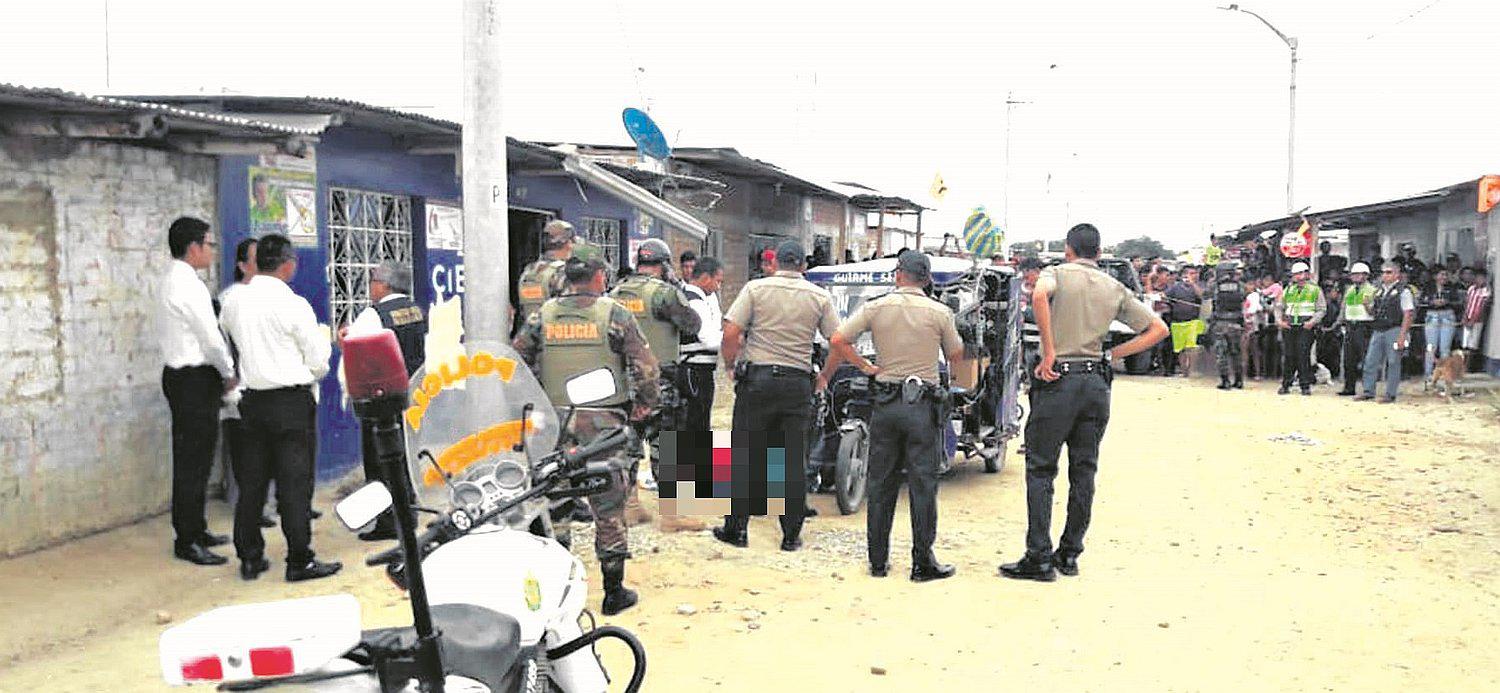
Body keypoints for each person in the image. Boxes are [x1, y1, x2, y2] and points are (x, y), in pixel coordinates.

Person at [999, 224, 1167, 582]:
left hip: (1058, 379)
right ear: (1100, 252)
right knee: (1084, 470)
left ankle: (1039, 557)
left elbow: (1040, 296)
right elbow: (1158, 330)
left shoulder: (1055, 273)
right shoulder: (1114, 285)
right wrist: (1113, 354)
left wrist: (1049, 352)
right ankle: (1070, 553)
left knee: (1041, 469)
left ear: (1068, 249)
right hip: (1095, 383)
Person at [512, 255, 659, 615]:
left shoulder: (541, 316)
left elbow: (517, 362)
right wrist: (644, 407)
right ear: (598, 277)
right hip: (603, 423)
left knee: (556, 501)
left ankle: (558, 589)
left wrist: (533, 405)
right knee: (608, 504)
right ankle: (613, 592)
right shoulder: (614, 314)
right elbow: (646, 367)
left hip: (553, 423)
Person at [819, 252, 965, 581]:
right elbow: (956, 353)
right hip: (923, 406)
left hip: (885, 403)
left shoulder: (876, 306)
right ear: (927, 280)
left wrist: (867, 367)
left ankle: (878, 562)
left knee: (880, 482)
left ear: (899, 275)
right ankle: (922, 563)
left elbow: (839, 339)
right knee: (922, 485)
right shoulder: (940, 312)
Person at [218, 234, 340, 582]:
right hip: (290, 402)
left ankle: (250, 558)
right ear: (287, 264)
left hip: (252, 402)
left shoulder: (234, 302)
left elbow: (227, 340)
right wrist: (315, 368)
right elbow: (319, 362)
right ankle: (299, 559)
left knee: (253, 483)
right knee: (294, 485)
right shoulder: (294, 304)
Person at [715, 240, 840, 552]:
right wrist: (823, 376)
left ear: (777, 262)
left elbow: (730, 332)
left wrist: (730, 365)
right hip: (798, 383)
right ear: (803, 266)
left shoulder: (755, 290)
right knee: (793, 459)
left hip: (757, 381)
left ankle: (737, 530)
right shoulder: (820, 296)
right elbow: (838, 341)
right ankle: (791, 536)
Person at [158, 217, 237, 566]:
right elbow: (211, 339)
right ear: (193, 247)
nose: (212, 250)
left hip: (182, 377)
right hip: (193, 379)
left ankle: (196, 528)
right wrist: (229, 372)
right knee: (193, 461)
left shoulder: (173, 279)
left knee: (196, 459)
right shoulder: (187, 286)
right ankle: (188, 540)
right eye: (209, 244)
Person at [339, 261, 426, 541]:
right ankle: (408, 511)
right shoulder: (414, 310)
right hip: (411, 394)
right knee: (405, 457)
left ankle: (389, 521)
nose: (370, 287)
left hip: (381, 399)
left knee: (380, 460)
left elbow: (356, 353)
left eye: (373, 281)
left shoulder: (374, 314)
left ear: (384, 284)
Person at [610, 239, 700, 505]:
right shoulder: (664, 293)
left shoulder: (616, 292)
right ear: (663, 265)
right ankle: (671, 508)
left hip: (625, 379)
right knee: (667, 444)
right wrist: (677, 287)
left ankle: (628, 505)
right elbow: (692, 324)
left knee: (627, 445)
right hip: (660, 378)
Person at [1356, 262, 1415, 403]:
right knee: (1370, 361)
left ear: (1397, 274)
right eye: (1383, 272)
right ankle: (1368, 390)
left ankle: (1390, 393)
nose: (1385, 275)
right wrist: (1366, 306)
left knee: (1393, 362)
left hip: (1394, 329)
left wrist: (1402, 335)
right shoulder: (1379, 291)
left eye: (1388, 272)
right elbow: (1374, 312)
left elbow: (1408, 314)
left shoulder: (1403, 291)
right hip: (1379, 329)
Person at [681, 257, 724, 431]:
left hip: (700, 370)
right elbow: (709, 340)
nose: (718, 287)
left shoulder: (703, 298)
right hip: (694, 370)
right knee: (694, 422)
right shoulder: (694, 302)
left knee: (698, 421)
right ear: (705, 278)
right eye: (718, 281)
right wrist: (732, 338)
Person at [516, 220, 580, 330]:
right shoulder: (562, 272)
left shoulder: (529, 272)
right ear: (569, 244)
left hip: (531, 338)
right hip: (555, 340)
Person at [1274, 262, 1325, 395]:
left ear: (1307, 274)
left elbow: (1321, 309)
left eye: (1301, 273)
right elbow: (1279, 307)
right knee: (1289, 356)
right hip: (1290, 326)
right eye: (1296, 274)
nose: (1299, 277)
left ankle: (1305, 386)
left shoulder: (1315, 290)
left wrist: (1312, 322)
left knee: (1303, 356)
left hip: (1306, 327)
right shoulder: (1289, 290)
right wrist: (1280, 321)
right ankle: (1286, 384)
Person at [1335, 263, 1377, 396]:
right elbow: (1344, 307)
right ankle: (1349, 387)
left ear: (1366, 275)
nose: (1355, 277)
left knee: (1366, 359)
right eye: (1353, 274)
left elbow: (1375, 312)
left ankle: (1368, 389)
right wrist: (1339, 322)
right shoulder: (1350, 290)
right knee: (1349, 359)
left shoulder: (1372, 290)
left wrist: (1367, 306)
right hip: (1350, 326)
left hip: (1364, 326)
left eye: (1358, 274)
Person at [1209, 261, 1246, 390]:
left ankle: (1225, 381)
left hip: (1220, 322)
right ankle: (1239, 380)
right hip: (1236, 323)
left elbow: (1206, 296)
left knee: (1221, 353)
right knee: (1236, 353)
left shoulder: (1215, 285)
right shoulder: (1239, 285)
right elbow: (1242, 298)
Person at [1421, 269, 1462, 380]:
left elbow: (1458, 302)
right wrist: (1432, 302)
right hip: (1432, 315)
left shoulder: (1451, 287)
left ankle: (1445, 373)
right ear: (1435, 276)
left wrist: (1446, 302)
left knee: (1445, 348)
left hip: (1447, 316)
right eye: (1441, 274)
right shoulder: (1428, 287)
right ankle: (1428, 373)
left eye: (1446, 274)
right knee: (1431, 346)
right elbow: (1421, 301)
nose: (1444, 277)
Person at [1164, 266, 1204, 377]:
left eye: (1195, 273)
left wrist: (1193, 284)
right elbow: (1165, 296)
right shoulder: (1176, 287)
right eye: (1191, 273)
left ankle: (1191, 370)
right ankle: (1184, 372)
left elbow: (1202, 296)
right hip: (1177, 322)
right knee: (1180, 349)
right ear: (1184, 275)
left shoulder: (1200, 285)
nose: (1194, 275)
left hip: (1193, 321)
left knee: (1191, 347)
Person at [1461, 268, 1492, 354]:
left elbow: (1482, 306)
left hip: (1478, 320)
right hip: (1468, 317)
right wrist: (1464, 316)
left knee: (1473, 345)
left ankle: (1470, 365)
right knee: (1465, 343)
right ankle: (1463, 364)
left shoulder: (1486, 290)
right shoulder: (1471, 288)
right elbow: (1467, 303)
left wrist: (1473, 320)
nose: (1479, 280)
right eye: (1477, 277)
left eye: (1482, 278)